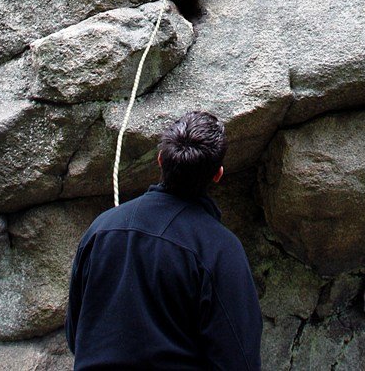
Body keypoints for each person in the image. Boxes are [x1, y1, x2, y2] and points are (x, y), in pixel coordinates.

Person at [65, 111, 263, 370]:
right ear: (218, 174)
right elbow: (239, 360)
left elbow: (76, 335)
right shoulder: (219, 249)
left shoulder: (101, 229)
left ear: (160, 160)